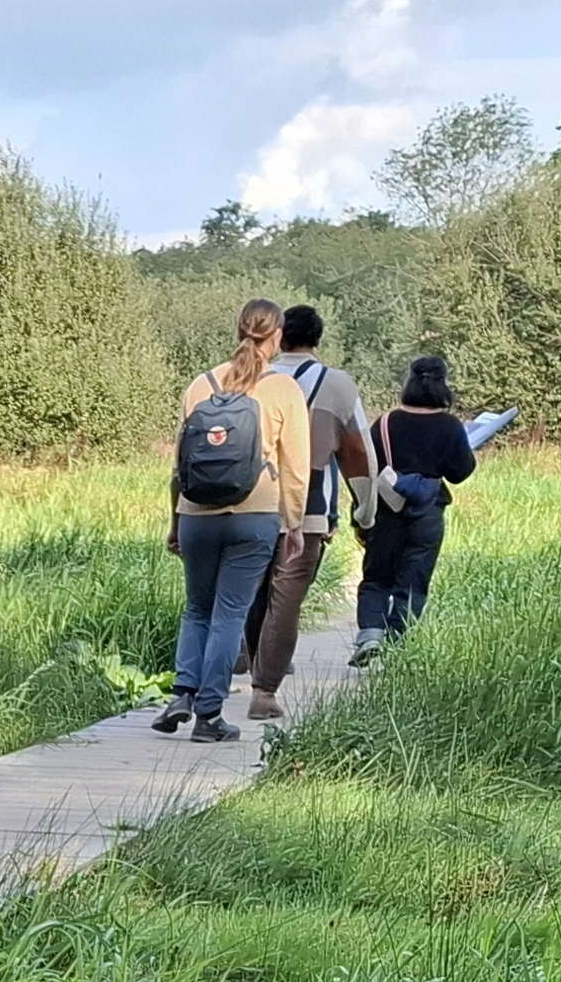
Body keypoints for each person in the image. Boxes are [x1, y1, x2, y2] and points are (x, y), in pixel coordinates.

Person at [157, 298, 310, 744]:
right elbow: (296, 467)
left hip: (195, 515)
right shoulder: (283, 389)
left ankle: (183, 693)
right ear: (277, 334)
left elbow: (179, 466)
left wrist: (174, 521)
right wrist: (295, 524)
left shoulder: (200, 385)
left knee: (197, 609)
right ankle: (209, 714)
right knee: (229, 613)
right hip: (254, 515)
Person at [235, 303, 374, 718]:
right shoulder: (337, 384)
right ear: (318, 338)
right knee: (287, 599)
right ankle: (264, 691)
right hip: (310, 509)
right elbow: (358, 453)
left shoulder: (250, 375)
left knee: (255, 590)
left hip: (249, 502)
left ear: (280, 335)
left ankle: (250, 656)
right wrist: (364, 513)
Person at [353, 353, 478, 658]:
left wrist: (359, 516)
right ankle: (397, 644)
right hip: (428, 515)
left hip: (387, 512)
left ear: (409, 381)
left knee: (376, 577)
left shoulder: (385, 423)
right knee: (414, 581)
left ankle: (370, 634)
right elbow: (460, 473)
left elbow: (367, 469)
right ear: (443, 385)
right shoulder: (449, 426)